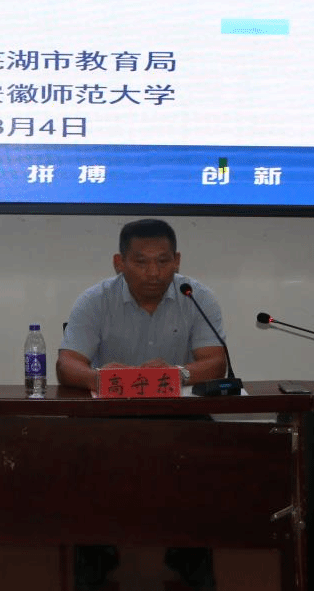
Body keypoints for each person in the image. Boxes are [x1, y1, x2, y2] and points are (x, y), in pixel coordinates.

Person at [57, 218, 227, 591]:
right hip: (108, 416)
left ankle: (190, 554)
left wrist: (179, 373)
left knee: (208, 448)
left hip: (178, 415)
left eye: (163, 261)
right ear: (119, 263)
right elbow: (67, 364)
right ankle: (96, 557)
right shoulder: (95, 300)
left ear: (177, 260)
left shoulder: (195, 296)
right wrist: (97, 377)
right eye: (141, 262)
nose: (154, 272)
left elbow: (216, 362)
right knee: (80, 450)